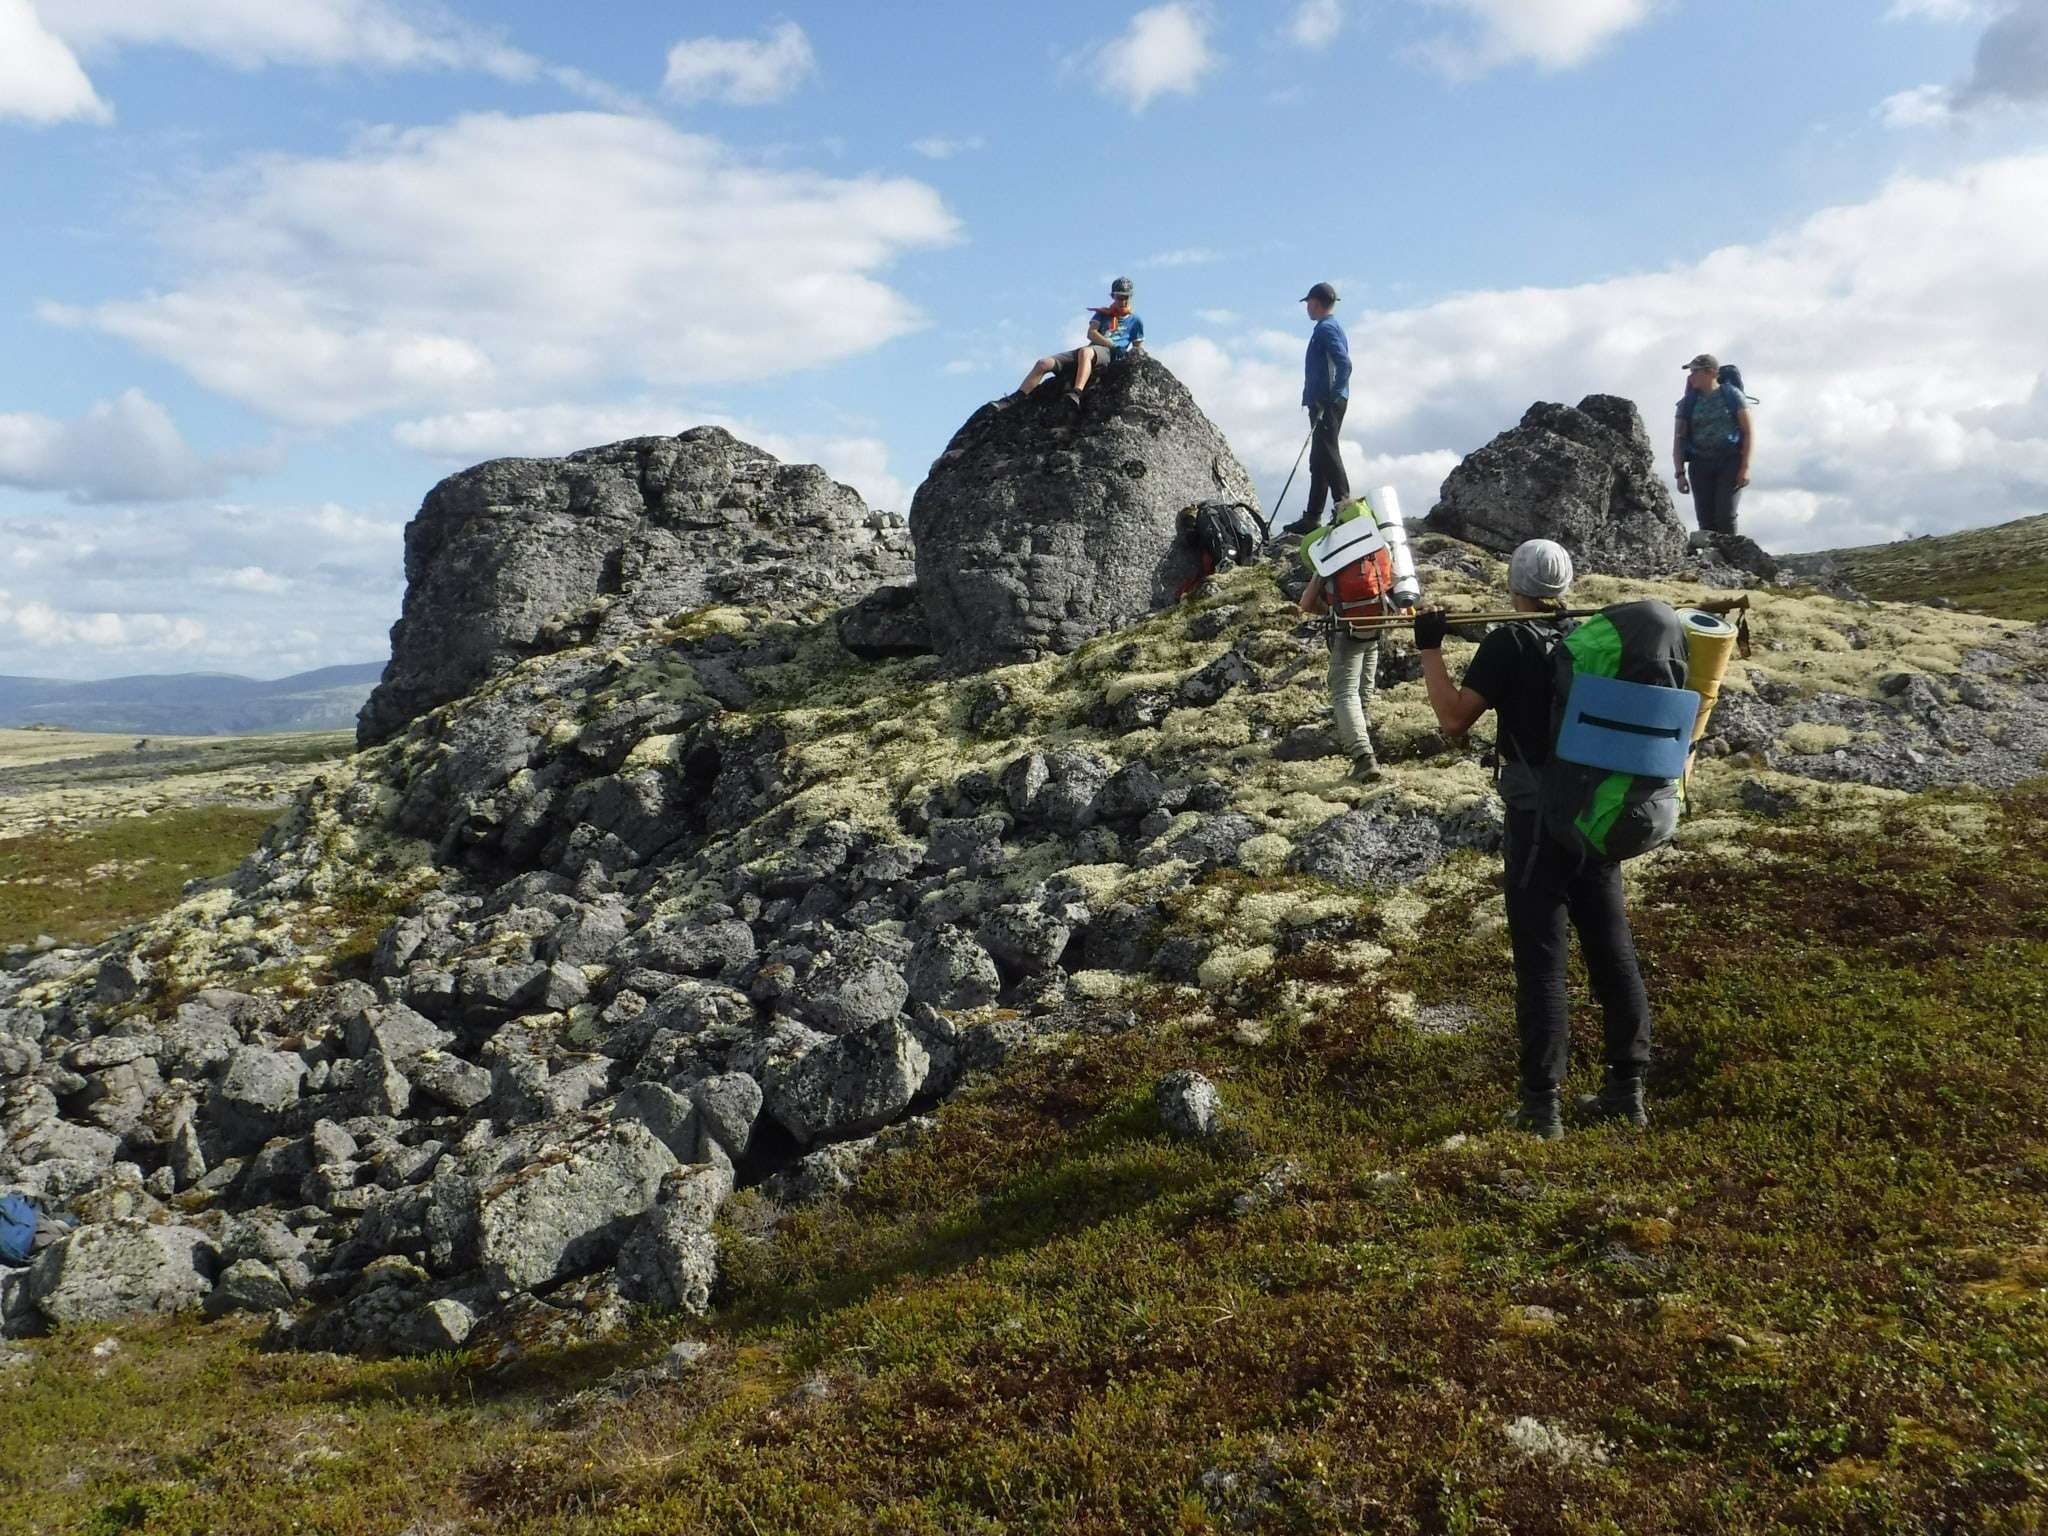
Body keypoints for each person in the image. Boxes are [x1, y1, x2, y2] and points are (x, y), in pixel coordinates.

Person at [1413, 539, 1654, 1139]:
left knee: (1543, 962)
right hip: (1598, 814)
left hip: (1539, 821)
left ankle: (1540, 1106)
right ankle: (1627, 1090)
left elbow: (1452, 719)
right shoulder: (1592, 638)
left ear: (1513, 582)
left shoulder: (1509, 640)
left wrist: (1429, 649)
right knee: (1611, 949)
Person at [1298, 560, 1386, 783]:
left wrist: (1331, 610)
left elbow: (1306, 603)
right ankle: (1364, 729)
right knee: (1362, 690)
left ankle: (1363, 757)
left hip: (1347, 631)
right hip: (1376, 625)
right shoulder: (1378, 552)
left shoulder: (1333, 556)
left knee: (1344, 692)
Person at [1011, 277, 1146, 407]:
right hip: (1095, 349)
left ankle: (1077, 392)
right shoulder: (1103, 313)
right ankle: (1016, 397)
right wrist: (1110, 343)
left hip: (1110, 354)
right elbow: (1091, 333)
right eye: (1119, 297)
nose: (1122, 301)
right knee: (1043, 363)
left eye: (1125, 297)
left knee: (1085, 352)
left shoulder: (1135, 321)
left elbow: (1137, 348)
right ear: (1113, 296)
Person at [1289, 281, 1352, 536]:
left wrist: (1331, 395)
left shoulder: (1326, 329)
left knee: (1327, 452)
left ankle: (1344, 506)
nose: (1307, 308)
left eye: (1308, 304)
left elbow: (1344, 365)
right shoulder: (1328, 328)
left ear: (1315, 303)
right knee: (1318, 457)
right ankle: (1313, 516)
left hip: (1327, 402)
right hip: (1325, 401)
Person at [1674, 352, 1753, 537]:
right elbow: (1679, 438)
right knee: (1706, 520)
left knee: (1725, 516)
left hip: (1730, 461)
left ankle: (1732, 560)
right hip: (1700, 464)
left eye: (1695, 371)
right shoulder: (1687, 403)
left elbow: (1748, 432)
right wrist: (1679, 474)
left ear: (1710, 372)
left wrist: (1745, 467)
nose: (1690, 376)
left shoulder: (1732, 396)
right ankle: (1712, 562)